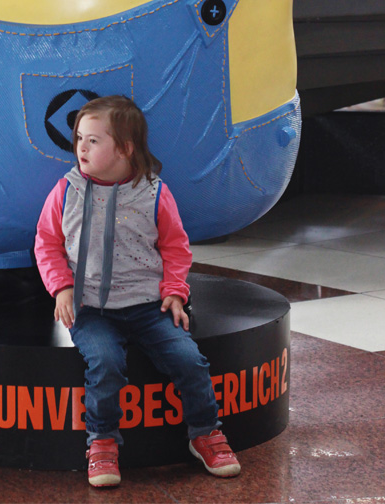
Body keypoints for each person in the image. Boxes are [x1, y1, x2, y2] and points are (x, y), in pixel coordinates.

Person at [35, 95, 240, 488]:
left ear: (125, 149)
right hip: (91, 309)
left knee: (190, 361)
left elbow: (175, 246)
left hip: (149, 307)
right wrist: (61, 288)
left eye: (93, 140)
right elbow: (47, 243)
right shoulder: (66, 192)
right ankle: (102, 442)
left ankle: (205, 433)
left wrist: (175, 292)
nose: (81, 147)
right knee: (106, 363)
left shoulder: (154, 192)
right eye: (79, 138)